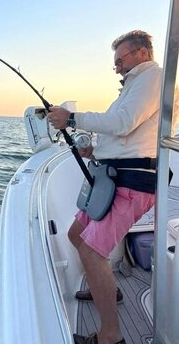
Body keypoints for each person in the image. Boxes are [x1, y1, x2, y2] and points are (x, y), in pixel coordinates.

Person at [48, 30, 162, 344]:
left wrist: (72, 118)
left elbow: (124, 122)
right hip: (111, 177)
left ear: (141, 52)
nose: (116, 67)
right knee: (76, 235)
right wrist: (95, 150)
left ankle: (110, 337)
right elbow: (124, 133)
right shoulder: (134, 85)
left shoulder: (153, 78)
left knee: (94, 252)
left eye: (120, 60)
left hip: (131, 182)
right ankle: (110, 290)